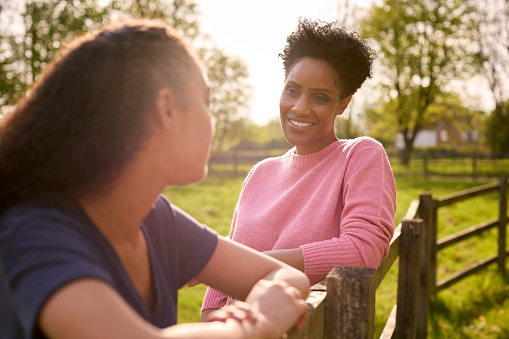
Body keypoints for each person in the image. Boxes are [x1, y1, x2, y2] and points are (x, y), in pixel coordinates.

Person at [0, 19, 311, 339]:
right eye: (207, 102)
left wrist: (253, 312)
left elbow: (286, 277)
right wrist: (253, 326)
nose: (211, 120)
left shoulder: (155, 219)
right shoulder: (37, 231)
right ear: (168, 110)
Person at [201, 18, 397, 318]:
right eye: (292, 90)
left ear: (343, 104)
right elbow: (223, 277)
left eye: (319, 97)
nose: (300, 107)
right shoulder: (260, 173)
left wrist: (241, 264)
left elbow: (362, 250)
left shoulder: (360, 155)